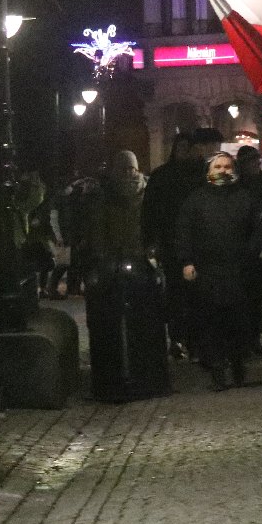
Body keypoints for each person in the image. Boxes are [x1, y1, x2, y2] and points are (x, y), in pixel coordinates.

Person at [82, 150, 171, 402]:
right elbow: (98, 230)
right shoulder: (105, 196)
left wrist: (152, 252)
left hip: (141, 260)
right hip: (115, 261)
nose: (129, 174)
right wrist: (103, 258)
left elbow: (154, 223)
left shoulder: (147, 191)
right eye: (124, 169)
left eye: (132, 169)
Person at [177, 152, 262, 391]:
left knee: (238, 319)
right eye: (218, 167)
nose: (223, 171)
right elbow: (184, 232)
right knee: (211, 320)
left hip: (239, 268)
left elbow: (257, 229)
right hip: (208, 269)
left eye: (227, 166)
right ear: (209, 171)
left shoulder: (245, 198)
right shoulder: (195, 200)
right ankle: (217, 367)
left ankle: (237, 362)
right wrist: (187, 261)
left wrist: (252, 252)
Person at [143, 132, 208, 358]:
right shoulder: (162, 176)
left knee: (197, 293)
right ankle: (177, 337)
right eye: (179, 147)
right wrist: (151, 241)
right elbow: (150, 212)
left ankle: (195, 339)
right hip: (171, 244)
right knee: (175, 293)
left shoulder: (201, 175)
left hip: (198, 244)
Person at [236, 144, 262, 357]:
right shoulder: (236, 187)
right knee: (242, 297)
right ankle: (243, 338)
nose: (255, 165)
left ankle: (254, 337)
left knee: (257, 296)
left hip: (260, 248)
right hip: (240, 247)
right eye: (251, 162)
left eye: (257, 161)